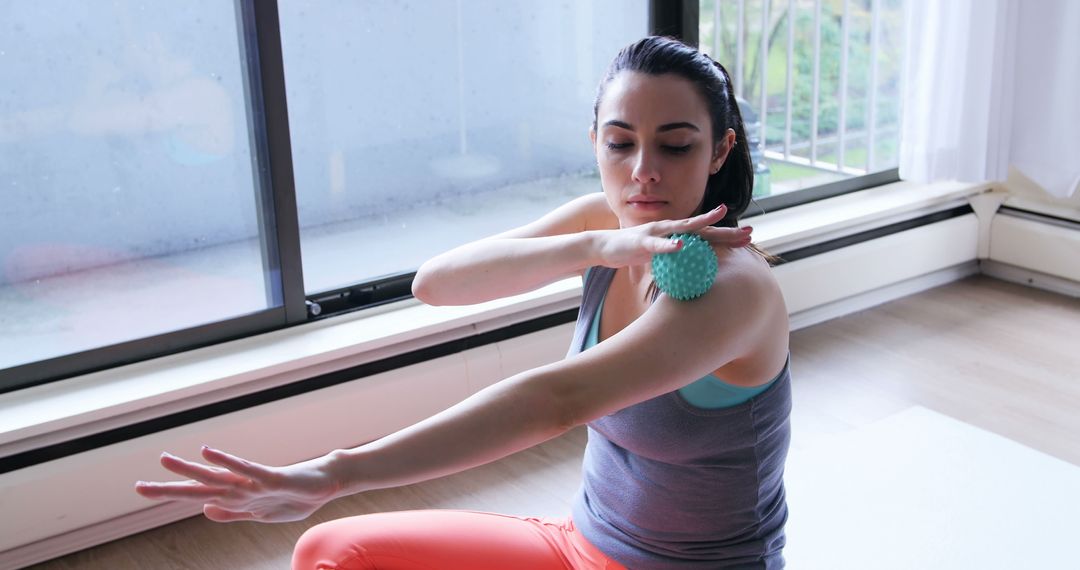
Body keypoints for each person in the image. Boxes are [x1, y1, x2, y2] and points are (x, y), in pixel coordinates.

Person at [135, 36, 792, 569]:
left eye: (675, 145)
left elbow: (556, 401)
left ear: (719, 150)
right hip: (576, 547)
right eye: (620, 143)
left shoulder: (737, 291)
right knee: (332, 551)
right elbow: (438, 284)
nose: (642, 169)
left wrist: (335, 473)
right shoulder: (608, 226)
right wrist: (594, 245)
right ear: (595, 142)